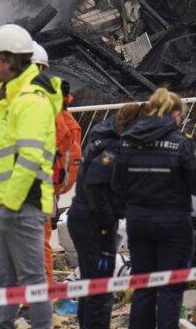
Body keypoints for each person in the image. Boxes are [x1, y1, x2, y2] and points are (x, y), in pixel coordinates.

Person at [0, 24, 55, 329]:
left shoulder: (29, 101)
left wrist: (10, 204)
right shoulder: (11, 97)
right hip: (9, 204)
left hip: (21, 205)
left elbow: (29, 158)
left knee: (32, 280)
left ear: (8, 61)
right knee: (5, 279)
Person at [112, 88, 196, 329]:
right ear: (175, 113)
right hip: (173, 223)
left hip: (138, 221)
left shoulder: (127, 141)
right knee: (170, 287)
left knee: (143, 286)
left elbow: (116, 183)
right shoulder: (181, 144)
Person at [68, 103, 139, 329]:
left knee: (91, 282)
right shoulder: (113, 149)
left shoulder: (102, 138)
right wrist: (108, 219)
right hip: (95, 223)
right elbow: (94, 184)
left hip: (84, 217)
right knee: (101, 286)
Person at [31, 41, 82, 279]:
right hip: (41, 186)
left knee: (34, 245)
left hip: (31, 188)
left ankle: (39, 292)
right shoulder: (58, 113)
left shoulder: (41, 108)